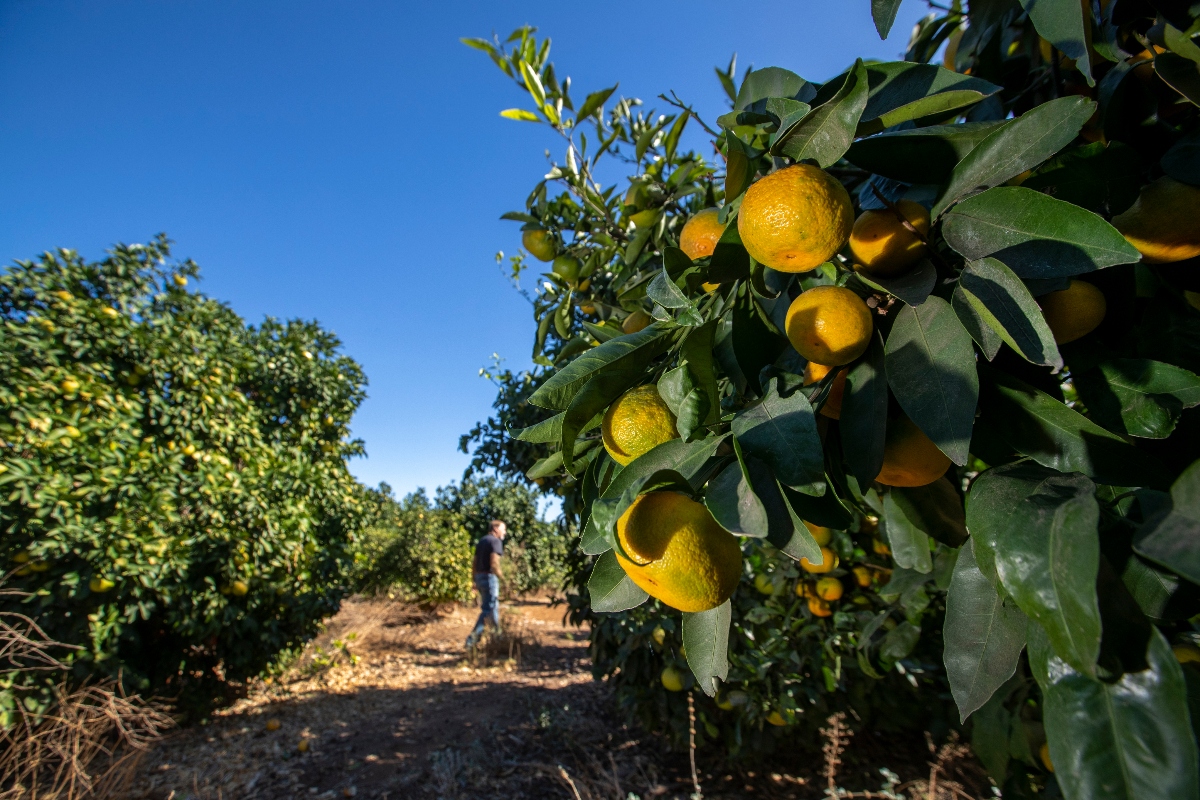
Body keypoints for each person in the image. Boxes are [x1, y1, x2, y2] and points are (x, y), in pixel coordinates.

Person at [465, 520, 506, 649]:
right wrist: (503, 579)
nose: (505, 532)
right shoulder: (495, 541)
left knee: (492, 607)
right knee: (488, 609)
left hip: (479, 576)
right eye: (503, 529)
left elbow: (474, 562)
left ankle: (498, 638)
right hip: (489, 577)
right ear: (495, 529)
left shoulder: (482, 541)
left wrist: (474, 580)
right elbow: (494, 563)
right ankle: (471, 641)